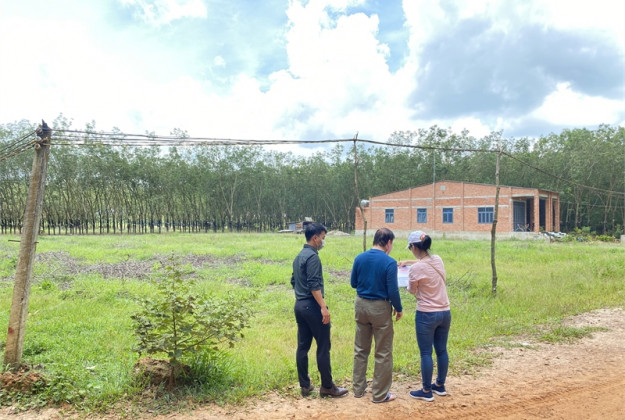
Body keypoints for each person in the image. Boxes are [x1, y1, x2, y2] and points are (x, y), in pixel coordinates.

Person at [291, 222, 348, 398]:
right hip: (312, 306)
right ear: (315, 238)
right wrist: (323, 307)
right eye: (322, 238)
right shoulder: (313, 257)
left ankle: (305, 385)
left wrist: (301, 296)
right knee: (323, 346)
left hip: (299, 305)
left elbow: (293, 281)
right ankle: (327, 387)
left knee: (303, 346)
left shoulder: (299, 256)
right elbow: (314, 285)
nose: (323, 241)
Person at [351, 228, 403, 403]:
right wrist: (399, 308)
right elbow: (393, 290)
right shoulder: (389, 262)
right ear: (388, 243)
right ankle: (380, 394)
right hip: (380, 308)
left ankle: (358, 389)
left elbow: (353, 283)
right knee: (383, 351)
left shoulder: (359, 258)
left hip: (361, 305)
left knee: (360, 349)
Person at [404, 230, 451, 402]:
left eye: (410, 248)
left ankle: (426, 390)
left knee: (425, 352)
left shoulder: (416, 269)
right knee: (441, 350)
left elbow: (412, 290)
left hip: (426, 314)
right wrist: (407, 262)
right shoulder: (438, 259)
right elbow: (424, 262)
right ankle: (440, 385)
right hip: (445, 312)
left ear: (414, 247)